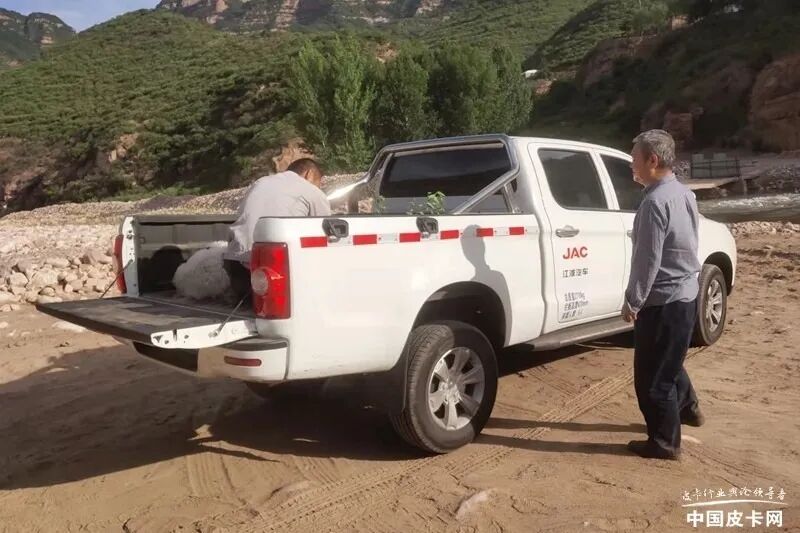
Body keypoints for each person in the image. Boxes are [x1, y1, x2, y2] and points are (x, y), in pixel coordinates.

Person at [622, 129, 704, 461]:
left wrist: (633, 301)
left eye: (634, 159)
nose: (631, 164)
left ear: (652, 160)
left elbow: (647, 260)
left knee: (653, 379)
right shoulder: (683, 193)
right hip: (685, 295)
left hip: (663, 301)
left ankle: (665, 443)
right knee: (670, 361)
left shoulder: (654, 202)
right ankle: (688, 409)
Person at [223, 158, 331, 301]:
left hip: (237, 268)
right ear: (309, 174)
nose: (319, 187)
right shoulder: (312, 191)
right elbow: (326, 234)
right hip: (272, 273)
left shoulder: (260, 183)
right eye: (319, 182)